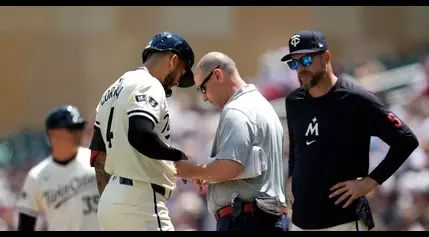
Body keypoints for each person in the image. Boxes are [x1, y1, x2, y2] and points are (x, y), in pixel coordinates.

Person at [281, 30, 419, 231]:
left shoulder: (356, 99)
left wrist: (371, 181)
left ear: (326, 57)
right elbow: (297, 145)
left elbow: (406, 140)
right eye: (294, 63)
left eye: (307, 59)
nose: (300, 68)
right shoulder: (294, 101)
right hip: (302, 221)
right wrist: (292, 177)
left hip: (343, 220)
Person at [89, 31, 194, 231]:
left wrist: (115, 201)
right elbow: (140, 134)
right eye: (182, 71)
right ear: (172, 60)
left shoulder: (110, 90)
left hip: (111, 201)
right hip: (140, 200)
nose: (178, 81)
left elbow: (99, 155)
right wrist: (178, 156)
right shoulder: (149, 84)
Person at [174, 52, 288, 231]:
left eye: (203, 89)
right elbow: (248, 164)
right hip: (266, 217)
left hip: (246, 219)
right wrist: (205, 173)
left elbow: (230, 166)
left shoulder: (236, 109)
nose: (204, 97)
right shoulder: (262, 105)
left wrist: (191, 170)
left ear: (218, 75)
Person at [16, 105, 100, 231]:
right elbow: (26, 224)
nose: (79, 132)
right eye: (72, 128)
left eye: (79, 127)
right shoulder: (37, 176)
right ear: (53, 134)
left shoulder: (96, 160)